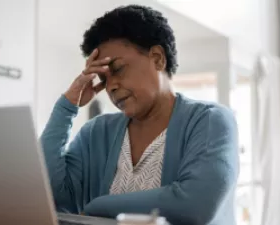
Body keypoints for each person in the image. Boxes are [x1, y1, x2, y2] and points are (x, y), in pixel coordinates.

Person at [40, 5, 239, 225]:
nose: (111, 86)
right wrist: (67, 107)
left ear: (157, 58)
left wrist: (98, 206)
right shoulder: (96, 132)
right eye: (103, 80)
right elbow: (52, 197)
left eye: (118, 69)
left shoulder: (210, 120)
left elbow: (195, 205)